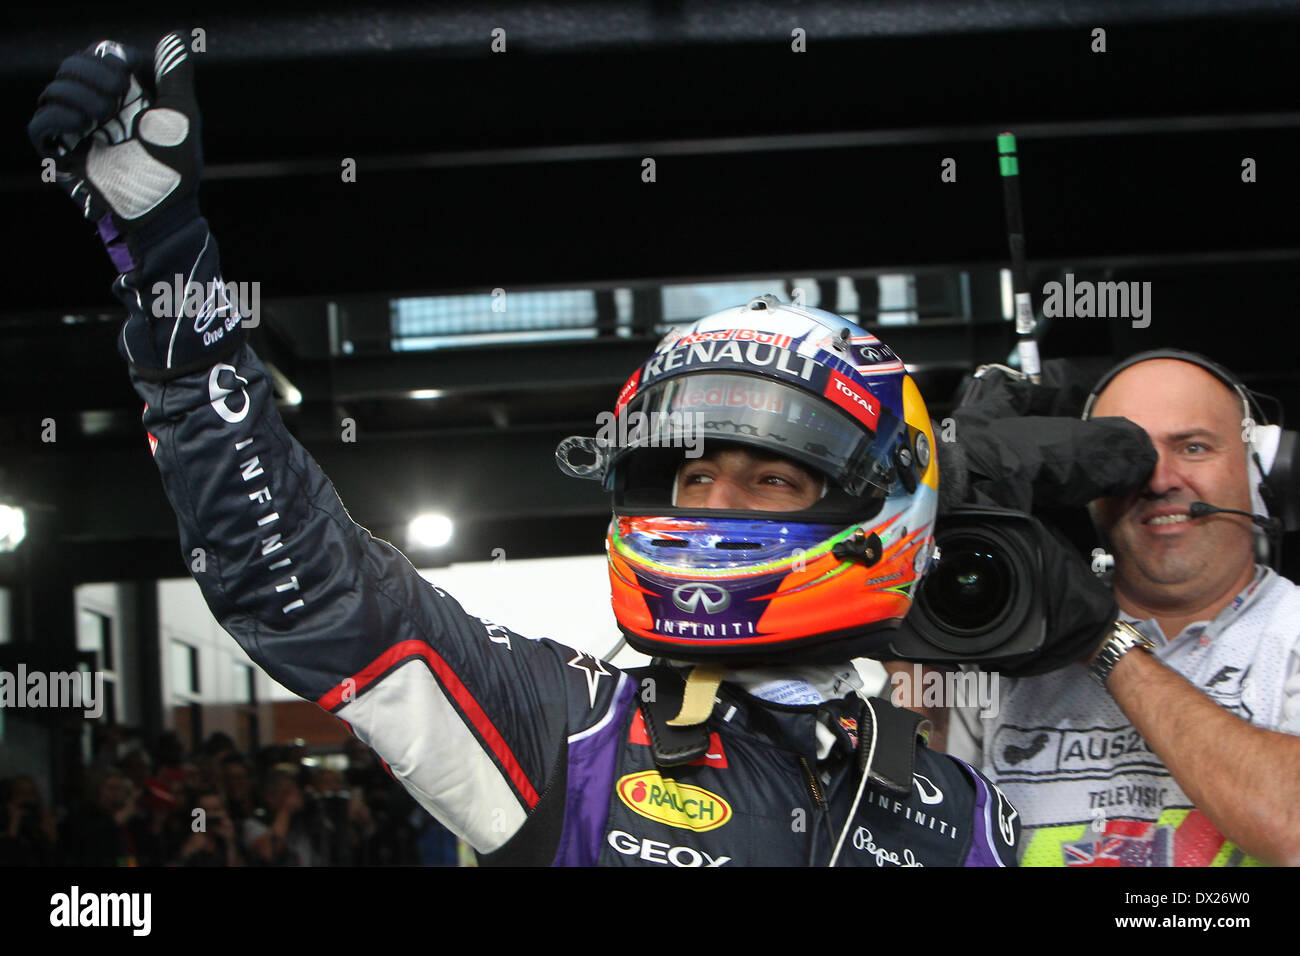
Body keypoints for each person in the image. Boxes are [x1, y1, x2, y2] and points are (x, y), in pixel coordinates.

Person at [29, 32, 1023, 866]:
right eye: (689, 473)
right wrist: (170, 277)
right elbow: (309, 588)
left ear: (881, 514)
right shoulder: (571, 727)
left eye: (767, 477)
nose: (710, 505)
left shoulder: (961, 810)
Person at [966, 353, 1300, 866]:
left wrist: (1104, 643)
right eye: (1126, 455)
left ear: (1262, 474)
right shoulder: (1008, 645)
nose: (1160, 479)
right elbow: (900, 832)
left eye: (1193, 447)